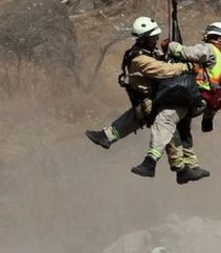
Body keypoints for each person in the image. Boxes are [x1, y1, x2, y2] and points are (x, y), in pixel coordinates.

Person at [85, 16, 210, 185]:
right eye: (153, 38)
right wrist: (186, 67)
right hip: (150, 102)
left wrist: (170, 51)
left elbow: (161, 61)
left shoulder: (145, 53)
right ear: (143, 39)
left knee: (149, 120)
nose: (156, 40)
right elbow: (162, 70)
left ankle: (107, 136)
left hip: (149, 100)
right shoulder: (140, 59)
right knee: (167, 123)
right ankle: (178, 168)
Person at [165, 21, 221, 134]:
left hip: (194, 96)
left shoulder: (209, 49)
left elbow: (186, 53)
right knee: (183, 130)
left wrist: (170, 46)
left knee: (165, 121)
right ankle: (187, 142)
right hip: (205, 102)